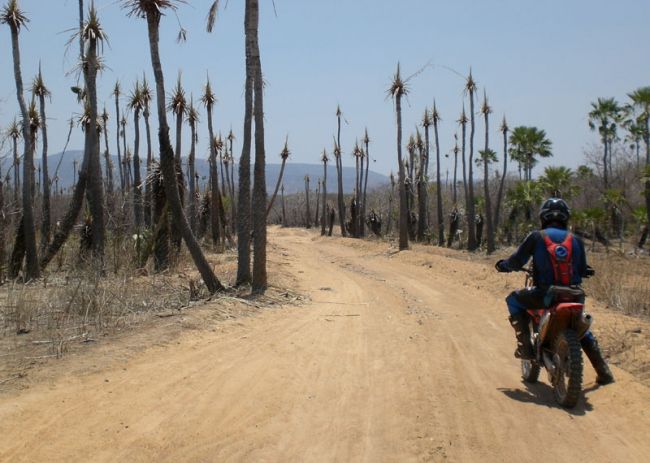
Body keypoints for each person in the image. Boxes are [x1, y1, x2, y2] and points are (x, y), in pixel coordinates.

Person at [495, 198, 614, 385]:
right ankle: (603, 371)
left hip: (546, 296)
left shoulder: (536, 236)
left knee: (513, 300)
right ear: (566, 217)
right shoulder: (576, 240)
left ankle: (526, 348)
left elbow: (517, 261)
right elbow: (583, 269)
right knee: (579, 324)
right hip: (575, 295)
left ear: (543, 216)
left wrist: (504, 265)